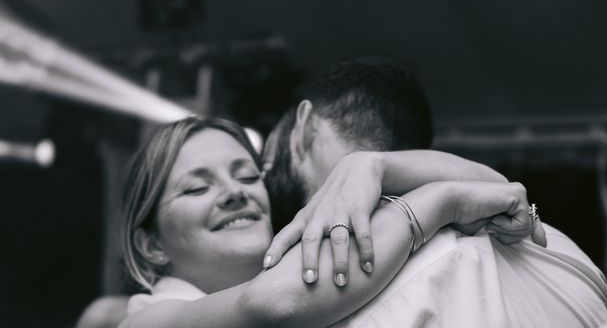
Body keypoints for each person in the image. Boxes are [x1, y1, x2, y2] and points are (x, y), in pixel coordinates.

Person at [262, 59, 607, 327]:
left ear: (304, 126)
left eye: (261, 160)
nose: (261, 173)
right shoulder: (557, 247)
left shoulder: (337, 291)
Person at [119, 115, 539, 328]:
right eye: (197, 188)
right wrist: (440, 201)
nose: (235, 192)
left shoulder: (308, 275)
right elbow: (271, 303)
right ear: (151, 245)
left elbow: (499, 188)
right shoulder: (144, 319)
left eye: (247, 175)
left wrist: (373, 167)